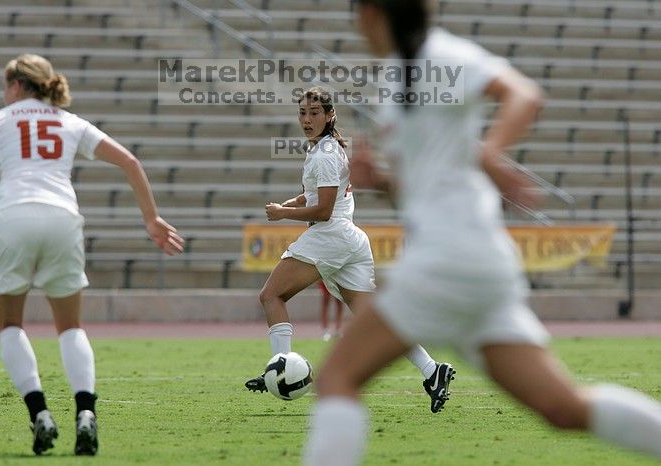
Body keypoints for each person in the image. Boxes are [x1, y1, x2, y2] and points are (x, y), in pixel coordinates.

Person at [303, 1, 661, 465]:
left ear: (372, 13)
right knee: (562, 406)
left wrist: (491, 151)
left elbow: (523, 94)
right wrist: (386, 182)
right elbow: (430, 184)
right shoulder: (396, 77)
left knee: (337, 379)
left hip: (449, 257)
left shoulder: (441, 55)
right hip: (474, 261)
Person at [0, 54, 184, 456]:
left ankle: (40, 413)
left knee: (11, 325)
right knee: (70, 327)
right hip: (63, 219)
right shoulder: (70, 121)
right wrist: (151, 219)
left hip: (13, 217)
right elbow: (131, 162)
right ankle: (85, 413)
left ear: (15, 85)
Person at [245, 86, 455, 414]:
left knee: (271, 296)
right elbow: (320, 194)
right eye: (302, 113)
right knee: (375, 318)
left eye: (315, 113)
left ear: (329, 116)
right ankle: (432, 370)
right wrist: (296, 200)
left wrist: (284, 213)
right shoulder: (324, 149)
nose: (307, 119)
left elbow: (325, 209)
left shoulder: (326, 154)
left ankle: (280, 365)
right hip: (349, 239)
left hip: (330, 236)